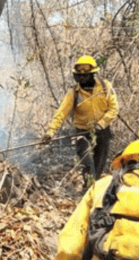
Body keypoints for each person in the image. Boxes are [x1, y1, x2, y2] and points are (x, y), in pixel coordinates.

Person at [43, 55, 118, 186]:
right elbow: (61, 113)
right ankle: (89, 187)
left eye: (85, 75)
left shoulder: (105, 87)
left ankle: (93, 188)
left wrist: (102, 123)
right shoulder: (74, 93)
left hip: (102, 132)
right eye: (79, 76)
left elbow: (114, 109)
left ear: (93, 74)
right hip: (82, 133)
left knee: (99, 163)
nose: (82, 78)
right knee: (87, 162)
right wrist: (50, 132)